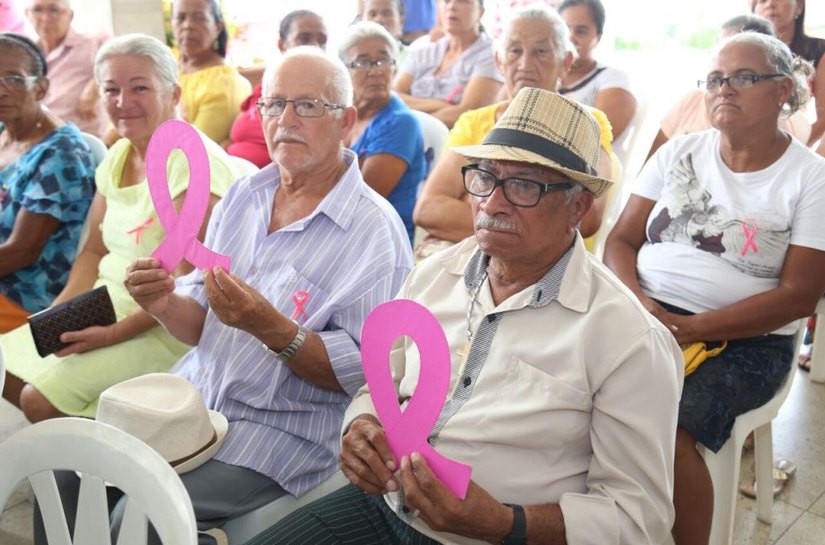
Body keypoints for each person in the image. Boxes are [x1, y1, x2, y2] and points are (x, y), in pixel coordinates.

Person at [242, 87, 682, 545]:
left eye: (525, 186)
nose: (492, 202)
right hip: (384, 507)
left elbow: (638, 519)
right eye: (485, 177)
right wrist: (363, 426)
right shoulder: (432, 276)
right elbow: (383, 386)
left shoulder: (628, 339)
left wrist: (505, 522)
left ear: (577, 207)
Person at [121, 47, 412, 541]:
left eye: (307, 106)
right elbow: (202, 325)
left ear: (346, 121)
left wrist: (268, 325)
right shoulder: (246, 193)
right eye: (274, 105)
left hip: (275, 435)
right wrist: (163, 302)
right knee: (67, 475)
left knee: (136, 513)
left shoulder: (374, 233)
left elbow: (368, 375)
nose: (286, 120)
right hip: (192, 406)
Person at [603, 33, 825, 545]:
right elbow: (620, 240)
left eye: (744, 77)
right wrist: (643, 307)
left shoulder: (811, 179)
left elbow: (798, 297)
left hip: (745, 341)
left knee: (671, 428)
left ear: (783, 91)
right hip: (645, 312)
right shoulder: (680, 151)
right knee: (572, 391)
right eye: (715, 79)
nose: (724, 89)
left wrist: (691, 327)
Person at [1, 33, 246, 422]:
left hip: (167, 327)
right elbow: (95, 252)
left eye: (140, 88)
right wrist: (58, 314)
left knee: (38, 397)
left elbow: (187, 290)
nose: (123, 102)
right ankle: (76, 460)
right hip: (105, 306)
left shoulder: (191, 164)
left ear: (174, 93)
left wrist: (110, 335)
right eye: (111, 89)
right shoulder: (117, 155)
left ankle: (109, 475)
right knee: (4, 366)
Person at [413, 5, 613, 259]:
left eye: (541, 51)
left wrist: (476, 213)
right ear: (498, 61)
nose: (526, 64)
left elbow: (588, 216)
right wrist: (529, 219)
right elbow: (429, 209)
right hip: (468, 260)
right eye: (515, 51)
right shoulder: (474, 122)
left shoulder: (584, 122)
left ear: (566, 62)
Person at [0, 32, 95, 333]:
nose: (1, 90)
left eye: (14, 79)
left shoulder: (61, 153)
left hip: (26, 296)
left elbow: (22, 251)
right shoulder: (5, 133)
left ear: (40, 88)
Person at [646, 13, 811, 161]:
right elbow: (650, 167)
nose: (724, 90)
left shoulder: (780, 128)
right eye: (720, 46)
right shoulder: (692, 102)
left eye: (743, 77)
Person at [341, 21, 426, 245]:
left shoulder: (400, 123)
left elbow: (359, 202)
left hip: (380, 241)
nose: (376, 71)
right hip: (345, 231)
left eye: (383, 60)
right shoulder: (343, 115)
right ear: (344, 70)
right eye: (362, 62)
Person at [226, 9, 328, 169]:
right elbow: (233, 134)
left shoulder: (328, 96)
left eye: (322, 40)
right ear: (282, 45)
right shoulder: (266, 86)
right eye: (304, 38)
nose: (315, 46)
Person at [393, 0, 503, 128]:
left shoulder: (490, 54)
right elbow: (392, 97)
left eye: (462, 1)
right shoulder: (423, 51)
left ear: (480, 12)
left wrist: (412, 125)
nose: (452, 6)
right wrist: (439, 104)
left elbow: (468, 113)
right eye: (446, 1)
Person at [558, 0, 636, 161]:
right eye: (564, 30)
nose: (571, 38)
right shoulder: (540, 74)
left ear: (598, 37)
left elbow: (594, 141)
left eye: (581, 31)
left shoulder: (612, 78)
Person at [751, 0, 825, 155]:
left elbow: (823, 117)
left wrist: (793, 152)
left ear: (799, 6)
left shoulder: (819, 50)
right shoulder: (743, 53)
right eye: (761, 1)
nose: (770, 4)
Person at [172, 0, 251, 144]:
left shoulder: (223, 83)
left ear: (218, 27)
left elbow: (191, 149)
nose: (187, 26)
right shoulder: (167, 71)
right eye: (180, 17)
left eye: (199, 18)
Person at [25, 0, 107, 136]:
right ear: (27, 14)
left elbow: (122, 69)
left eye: (54, 10)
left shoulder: (92, 45)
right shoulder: (25, 53)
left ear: (70, 15)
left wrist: (94, 87)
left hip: (84, 143)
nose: (45, 18)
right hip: (38, 142)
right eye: (37, 10)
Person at [361, 0, 410, 65]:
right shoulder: (349, 58)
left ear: (401, 21)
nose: (379, 20)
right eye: (372, 14)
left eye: (387, 14)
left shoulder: (415, 58)